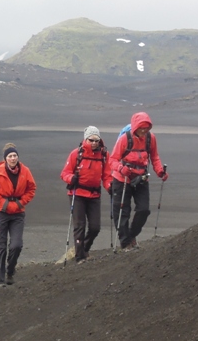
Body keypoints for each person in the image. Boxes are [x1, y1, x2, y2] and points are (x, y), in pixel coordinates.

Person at [109, 112, 168, 250]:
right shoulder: (125, 139)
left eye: (147, 128)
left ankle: (131, 235)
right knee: (122, 211)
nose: (144, 130)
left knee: (144, 209)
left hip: (141, 178)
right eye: (141, 127)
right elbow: (113, 159)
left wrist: (160, 171)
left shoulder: (150, 138)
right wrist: (121, 168)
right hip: (122, 179)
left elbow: (154, 157)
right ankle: (125, 243)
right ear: (135, 126)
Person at [0, 143, 37, 288]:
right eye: (10, 156)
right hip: (0, 213)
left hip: (18, 213)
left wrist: (21, 202)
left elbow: (31, 188)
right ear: (5, 158)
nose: (13, 158)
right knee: (0, 247)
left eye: (15, 156)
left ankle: (10, 271)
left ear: (18, 157)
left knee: (16, 245)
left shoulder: (25, 171)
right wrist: (2, 202)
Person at [60, 126, 112, 263]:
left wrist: (109, 187)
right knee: (80, 226)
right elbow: (64, 173)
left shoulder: (104, 155)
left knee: (95, 227)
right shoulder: (76, 154)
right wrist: (71, 178)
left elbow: (106, 175)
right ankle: (80, 257)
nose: (94, 143)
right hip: (77, 194)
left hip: (94, 195)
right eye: (91, 140)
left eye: (96, 140)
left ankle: (84, 249)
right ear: (85, 139)